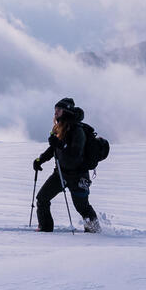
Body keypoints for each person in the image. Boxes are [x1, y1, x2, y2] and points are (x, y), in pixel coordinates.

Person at [33, 97, 101, 233]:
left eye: (59, 110)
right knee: (42, 198)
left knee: (82, 207)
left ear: (66, 111)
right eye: (55, 110)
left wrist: (60, 144)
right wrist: (40, 160)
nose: (56, 112)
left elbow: (75, 153)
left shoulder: (77, 130)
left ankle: (94, 232)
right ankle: (45, 228)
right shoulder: (59, 127)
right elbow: (53, 149)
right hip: (60, 173)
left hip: (78, 176)